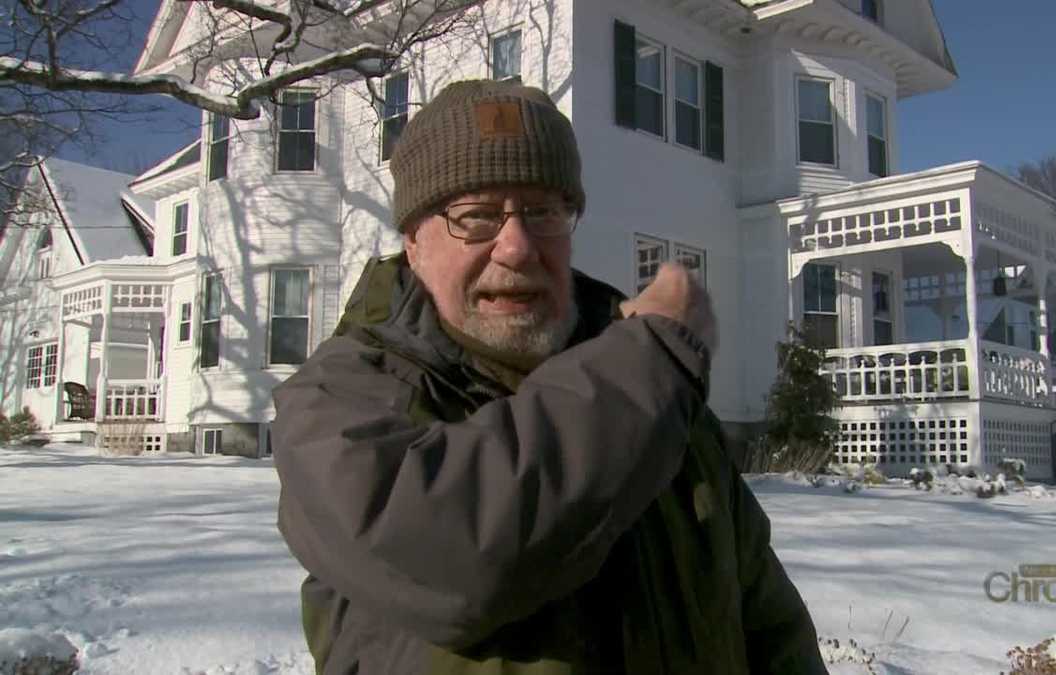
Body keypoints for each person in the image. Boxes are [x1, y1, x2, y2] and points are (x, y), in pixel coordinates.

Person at [272, 79, 828, 675]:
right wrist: (649, 362)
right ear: (413, 240)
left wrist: (651, 365)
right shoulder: (339, 399)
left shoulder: (661, 392)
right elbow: (453, 565)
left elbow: (770, 628)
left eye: (543, 212)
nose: (516, 246)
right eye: (478, 216)